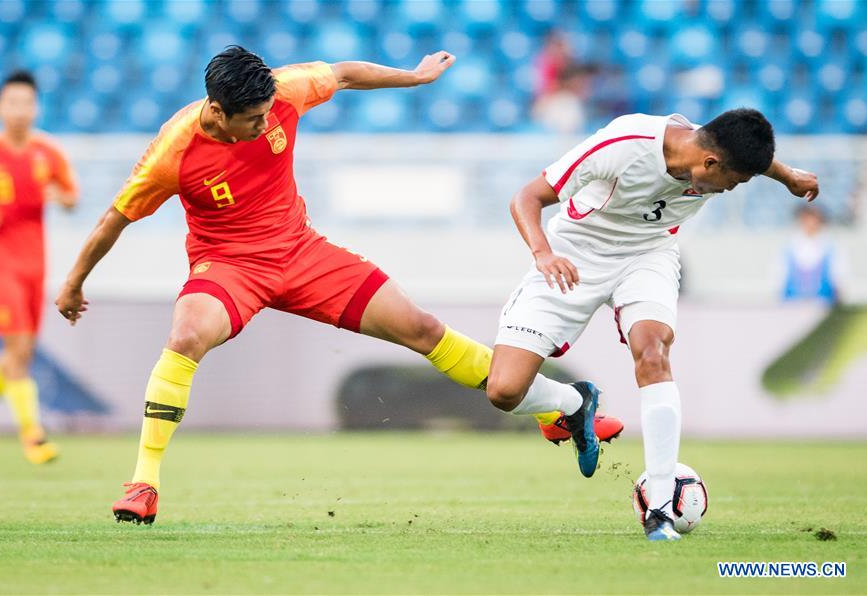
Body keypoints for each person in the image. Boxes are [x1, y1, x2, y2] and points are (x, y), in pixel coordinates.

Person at [54, 47, 623, 525]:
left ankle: (557, 411)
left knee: (421, 328)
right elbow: (114, 219)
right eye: (252, 119)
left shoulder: (283, 90)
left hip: (302, 252)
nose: (265, 123)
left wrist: (416, 77)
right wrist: (75, 283)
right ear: (217, 112)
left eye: (267, 113)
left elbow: (346, 74)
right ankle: (143, 484)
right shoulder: (173, 153)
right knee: (186, 336)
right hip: (229, 265)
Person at [484, 108, 819, 540]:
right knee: (504, 390)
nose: (730, 189)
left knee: (653, 352)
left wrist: (789, 176)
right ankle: (574, 405)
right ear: (710, 165)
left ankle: (659, 510)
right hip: (573, 253)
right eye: (732, 182)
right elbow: (526, 197)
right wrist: (543, 253)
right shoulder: (624, 145)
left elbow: (753, 156)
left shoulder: (717, 151)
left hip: (648, 255)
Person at [0, 70, 78, 463]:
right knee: (17, 347)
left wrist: (60, 196)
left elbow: (72, 196)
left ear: (35, 108)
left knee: (21, 351)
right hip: (0, 260)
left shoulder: (48, 153)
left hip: (36, 261)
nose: (19, 110)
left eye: (26, 103)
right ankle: (33, 435)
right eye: (12, 102)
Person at [781, 204, 844, 304]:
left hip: (823, 303)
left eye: (814, 219)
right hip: (792, 303)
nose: (811, 223)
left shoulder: (830, 246)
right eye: (807, 219)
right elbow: (780, 275)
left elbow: (838, 276)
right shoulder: (790, 246)